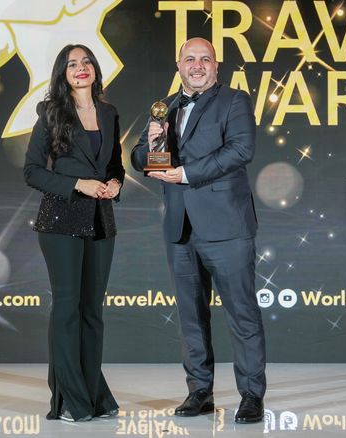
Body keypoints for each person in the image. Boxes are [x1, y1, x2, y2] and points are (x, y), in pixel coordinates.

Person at [131, 37, 266, 423]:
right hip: (180, 228)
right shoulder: (166, 106)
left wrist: (186, 173)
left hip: (227, 226)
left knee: (242, 313)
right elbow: (140, 155)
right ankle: (199, 392)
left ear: (216, 66)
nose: (197, 65)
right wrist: (153, 145)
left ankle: (252, 396)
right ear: (179, 66)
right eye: (190, 59)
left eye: (205, 59)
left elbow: (241, 150)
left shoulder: (235, 101)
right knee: (190, 315)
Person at [24, 44, 124, 422]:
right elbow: (32, 171)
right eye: (72, 64)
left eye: (86, 62)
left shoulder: (110, 113)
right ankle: (67, 400)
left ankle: (93, 397)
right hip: (60, 220)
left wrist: (115, 181)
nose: (80, 68)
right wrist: (77, 184)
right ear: (62, 74)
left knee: (92, 313)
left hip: (101, 220)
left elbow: (114, 162)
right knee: (67, 311)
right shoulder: (51, 112)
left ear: (96, 70)